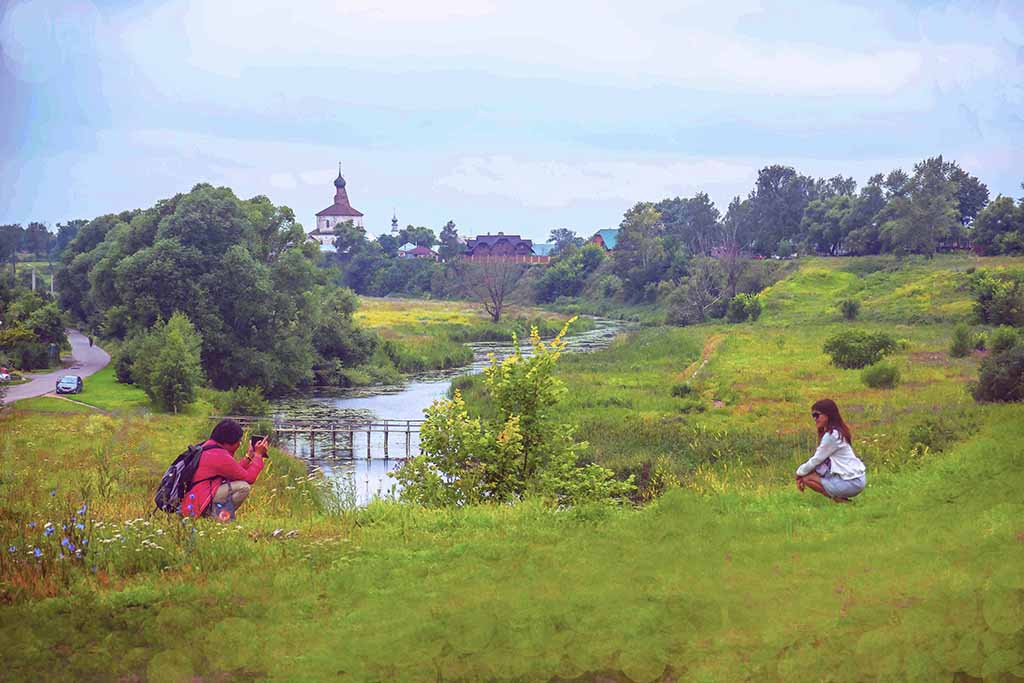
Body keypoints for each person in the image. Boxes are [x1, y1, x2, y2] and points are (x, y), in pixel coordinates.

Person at [181, 418, 267, 520]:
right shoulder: (219, 455)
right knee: (243, 487)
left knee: (240, 484)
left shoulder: (210, 446)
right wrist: (258, 456)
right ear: (227, 442)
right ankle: (218, 517)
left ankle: (213, 515)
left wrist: (249, 457)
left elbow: (235, 472)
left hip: (195, 498)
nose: (239, 444)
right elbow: (249, 478)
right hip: (199, 501)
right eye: (238, 441)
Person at [795, 399, 866, 502]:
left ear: (828, 415)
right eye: (813, 416)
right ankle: (841, 499)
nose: (815, 419)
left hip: (852, 482)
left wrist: (799, 474)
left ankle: (840, 501)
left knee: (807, 478)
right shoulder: (838, 432)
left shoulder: (832, 436)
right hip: (857, 479)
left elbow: (816, 460)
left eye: (817, 415)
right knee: (810, 473)